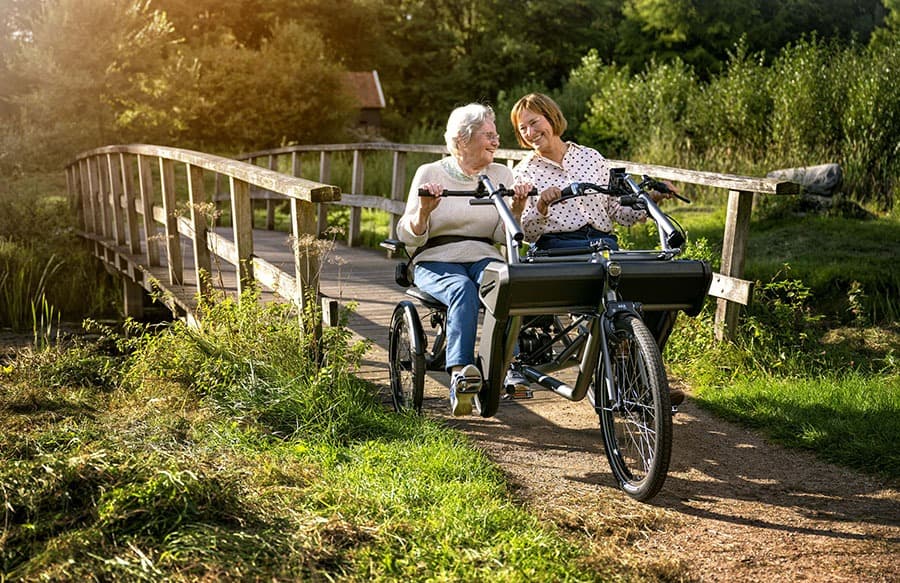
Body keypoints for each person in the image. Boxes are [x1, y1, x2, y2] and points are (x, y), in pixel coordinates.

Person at [510, 92, 685, 405]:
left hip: (605, 246)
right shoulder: (525, 173)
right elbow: (529, 233)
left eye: (534, 123)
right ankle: (637, 385)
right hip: (559, 250)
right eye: (522, 128)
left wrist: (653, 200)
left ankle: (647, 377)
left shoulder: (590, 157)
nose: (529, 132)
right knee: (602, 298)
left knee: (662, 292)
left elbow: (620, 212)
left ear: (551, 119)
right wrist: (542, 206)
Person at [397, 103, 532, 416]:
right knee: (462, 289)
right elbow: (408, 234)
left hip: (484, 255)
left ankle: (504, 367)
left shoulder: (500, 174)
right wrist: (425, 210)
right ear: (462, 140)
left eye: (496, 134)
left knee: (513, 282)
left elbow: (502, 235)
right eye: (488, 135)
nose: (496, 141)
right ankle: (461, 373)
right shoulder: (429, 173)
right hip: (435, 258)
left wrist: (517, 209)